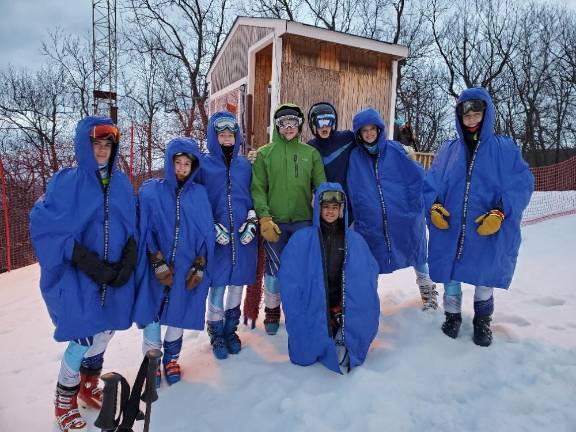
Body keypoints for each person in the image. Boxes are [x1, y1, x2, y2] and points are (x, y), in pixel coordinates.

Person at [30, 117, 137, 432]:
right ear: (84, 146)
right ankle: (64, 400)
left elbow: (131, 224)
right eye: (97, 144)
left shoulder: (119, 182)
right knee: (82, 336)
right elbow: (45, 224)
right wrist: (87, 262)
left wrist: (127, 263)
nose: (102, 150)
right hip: (79, 273)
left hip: (113, 272)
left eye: (108, 145)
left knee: (105, 330)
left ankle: (89, 384)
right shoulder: (68, 182)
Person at [424, 87, 534, 346]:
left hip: (486, 225)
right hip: (452, 226)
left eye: (476, 114)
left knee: (485, 273)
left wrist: (500, 212)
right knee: (451, 272)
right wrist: (433, 205)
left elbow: (521, 183)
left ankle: (482, 322)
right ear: (459, 118)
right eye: (466, 116)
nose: (471, 119)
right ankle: (452, 316)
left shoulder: (504, 149)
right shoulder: (448, 150)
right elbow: (432, 183)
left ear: (486, 114)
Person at [133, 138, 214, 385]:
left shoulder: (199, 195)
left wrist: (200, 264)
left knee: (179, 311)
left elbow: (206, 231)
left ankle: (171, 359)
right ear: (169, 163)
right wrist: (156, 259)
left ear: (193, 166)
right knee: (153, 314)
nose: (181, 168)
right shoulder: (151, 191)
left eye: (186, 164)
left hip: (186, 265)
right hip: (155, 264)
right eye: (177, 163)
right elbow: (143, 228)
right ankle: (152, 362)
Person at [278, 182, 379, 373]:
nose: (330, 212)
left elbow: (367, 274)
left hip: (341, 299)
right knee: (305, 351)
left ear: (341, 210)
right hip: (314, 300)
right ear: (318, 208)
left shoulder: (353, 240)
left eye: (335, 208)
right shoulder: (304, 238)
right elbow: (290, 275)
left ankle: (339, 326)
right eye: (326, 207)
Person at [347, 108, 439, 311]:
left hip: (403, 216)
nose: (369, 133)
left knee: (417, 253)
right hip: (371, 221)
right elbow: (354, 187)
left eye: (373, 129)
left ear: (379, 130)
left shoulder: (396, 149)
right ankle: (369, 300)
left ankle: (428, 291)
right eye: (365, 130)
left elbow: (418, 177)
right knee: (370, 262)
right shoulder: (355, 157)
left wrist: (414, 206)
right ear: (359, 134)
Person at [251, 103, 326, 335]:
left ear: (301, 124)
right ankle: (272, 309)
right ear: (277, 125)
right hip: (275, 224)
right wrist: (264, 218)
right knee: (274, 269)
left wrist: (326, 213)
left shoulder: (310, 154)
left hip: (303, 222)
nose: (289, 127)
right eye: (284, 123)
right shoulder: (265, 154)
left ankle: (300, 309)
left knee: (302, 269)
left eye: (294, 122)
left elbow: (322, 186)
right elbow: (258, 189)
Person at [197, 112, 257, 359]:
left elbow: (255, 193)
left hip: (243, 237)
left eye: (231, 135)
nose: (227, 139)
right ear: (214, 137)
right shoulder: (204, 165)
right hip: (218, 239)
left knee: (237, 285)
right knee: (218, 286)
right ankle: (216, 332)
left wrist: (252, 219)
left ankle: (231, 330)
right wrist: (210, 226)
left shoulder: (245, 165)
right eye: (222, 135)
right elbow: (196, 200)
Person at [307, 102, 355, 194]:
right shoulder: (310, 147)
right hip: (322, 201)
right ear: (313, 124)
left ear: (334, 122)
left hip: (345, 198)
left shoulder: (347, 138)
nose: (324, 127)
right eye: (319, 123)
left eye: (328, 121)